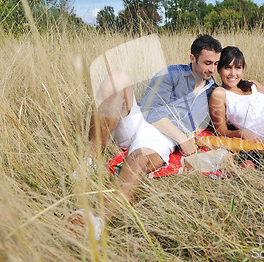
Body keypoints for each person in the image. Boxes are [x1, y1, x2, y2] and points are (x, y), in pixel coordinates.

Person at [68, 34, 222, 240]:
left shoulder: (214, 91)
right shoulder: (172, 73)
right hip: (139, 119)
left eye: (216, 64)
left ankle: (98, 220)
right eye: (207, 63)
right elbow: (151, 109)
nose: (212, 69)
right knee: (117, 78)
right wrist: (183, 138)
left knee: (139, 160)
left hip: (160, 139)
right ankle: (89, 161)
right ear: (193, 59)